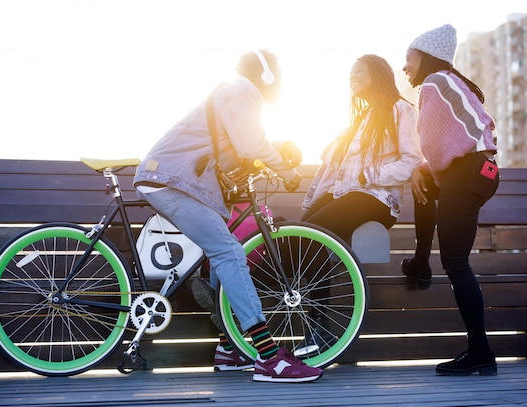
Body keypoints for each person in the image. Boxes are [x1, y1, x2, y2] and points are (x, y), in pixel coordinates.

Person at [133, 49, 322, 383]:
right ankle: (269, 358)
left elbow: (235, 153)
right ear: (266, 75)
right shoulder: (242, 91)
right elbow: (253, 144)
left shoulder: (232, 95)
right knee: (230, 251)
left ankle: (229, 349)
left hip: (171, 181)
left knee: (225, 249)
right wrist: (287, 171)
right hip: (168, 182)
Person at [297, 54, 423, 353]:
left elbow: (412, 161)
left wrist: (369, 175)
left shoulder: (401, 110)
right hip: (348, 194)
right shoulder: (361, 119)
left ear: (377, 75)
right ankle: (316, 326)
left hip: (377, 198)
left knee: (315, 232)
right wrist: (311, 204)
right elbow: (334, 173)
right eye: (350, 72)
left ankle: (321, 329)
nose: (352, 76)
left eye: (358, 71)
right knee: (301, 237)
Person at [401, 24, 499, 376]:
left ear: (425, 57)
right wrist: (427, 170)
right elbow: (462, 140)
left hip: (469, 173)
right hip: (482, 171)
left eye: (408, 58)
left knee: (456, 264)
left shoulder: (434, 83)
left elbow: (432, 144)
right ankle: (421, 261)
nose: (404, 67)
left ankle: (480, 351)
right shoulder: (450, 81)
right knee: (424, 178)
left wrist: (424, 168)